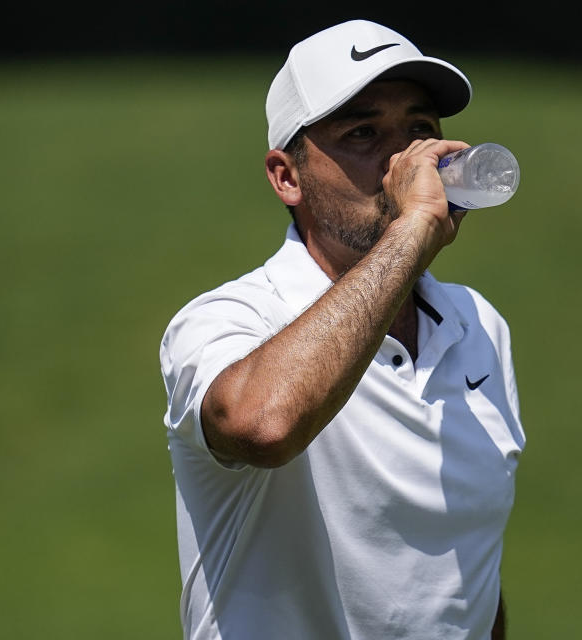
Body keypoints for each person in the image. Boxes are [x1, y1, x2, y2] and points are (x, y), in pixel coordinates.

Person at [159, 18, 526, 640]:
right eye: (363, 133)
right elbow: (263, 425)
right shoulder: (230, 319)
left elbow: (468, 573)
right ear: (287, 177)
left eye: (420, 130)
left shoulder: (478, 325)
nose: (406, 160)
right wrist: (412, 229)